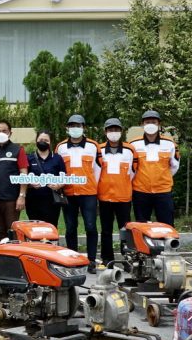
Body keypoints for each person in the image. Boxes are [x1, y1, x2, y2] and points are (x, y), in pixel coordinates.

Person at [57, 114, 101, 272]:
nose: (75, 128)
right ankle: (73, 259)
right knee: (70, 228)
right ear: (67, 128)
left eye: (78, 125)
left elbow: (98, 170)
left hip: (88, 192)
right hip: (68, 192)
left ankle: (91, 261)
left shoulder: (93, 146)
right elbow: (58, 169)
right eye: (72, 125)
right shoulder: (61, 147)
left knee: (90, 226)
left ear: (84, 128)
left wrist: (91, 186)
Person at [96, 118, 136, 268]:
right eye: (111, 130)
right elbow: (96, 172)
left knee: (125, 230)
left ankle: (128, 259)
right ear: (105, 132)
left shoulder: (129, 150)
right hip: (105, 196)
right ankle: (107, 260)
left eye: (116, 130)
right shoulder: (98, 150)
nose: (114, 133)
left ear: (121, 132)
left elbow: (133, 172)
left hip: (124, 197)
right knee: (106, 230)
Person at [129, 110, 180, 226]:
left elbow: (174, 166)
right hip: (140, 192)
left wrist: (161, 178)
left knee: (167, 225)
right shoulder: (134, 144)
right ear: (142, 125)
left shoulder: (170, 144)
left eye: (154, 122)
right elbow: (131, 168)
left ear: (159, 124)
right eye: (147, 122)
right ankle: (143, 245)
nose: (150, 125)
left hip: (163, 192)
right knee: (141, 226)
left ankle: (165, 244)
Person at [0, 120, 29, 242]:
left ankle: (13, 258)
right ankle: (0, 257)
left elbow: (24, 173)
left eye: (4, 131)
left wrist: (22, 196)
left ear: (10, 133)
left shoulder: (18, 149)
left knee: (12, 231)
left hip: (12, 199)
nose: (1, 133)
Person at [24, 130, 67, 226]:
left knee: (50, 227)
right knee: (35, 228)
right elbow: (23, 177)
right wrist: (30, 183)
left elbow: (64, 177)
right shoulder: (29, 158)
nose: (43, 142)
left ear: (50, 142)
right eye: (41, 139)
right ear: (36, 141)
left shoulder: (57, 158)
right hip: (33, 200)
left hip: (52, 200)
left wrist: (58, 185)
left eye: (46, 140)